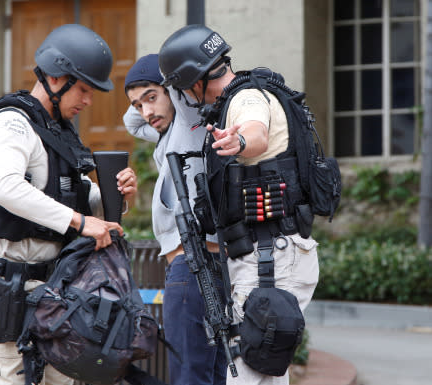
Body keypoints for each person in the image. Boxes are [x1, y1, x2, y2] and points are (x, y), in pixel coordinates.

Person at [0, 24, 137, 385]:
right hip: (8, 286)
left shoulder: (60, 130)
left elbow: (79, 201)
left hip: (59, 290)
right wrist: (78, 221)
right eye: (85, 89)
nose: (89, 101)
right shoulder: (11, 123)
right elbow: (5, 187)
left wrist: (116, 196)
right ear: (57, 78)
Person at [158, 25, 320, 385]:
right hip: (272, 255)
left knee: (246, 372)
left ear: (191, 80)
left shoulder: (244, 100)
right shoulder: (238, 97)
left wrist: (241, 140)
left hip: (269, 259)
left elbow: (256, 134)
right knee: (264, 370)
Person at [123, 54, 228, 385]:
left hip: (190, 269)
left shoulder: (189, 119)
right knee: (211, 374)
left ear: (175, 91)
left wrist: (160, 72)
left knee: (189, 375)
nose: (146, 112)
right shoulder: (168, 133)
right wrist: (146, 90)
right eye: (138, 105)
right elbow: (132, 122)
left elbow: (172, 93)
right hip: (209, 268)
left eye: (152, 98)